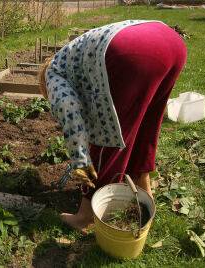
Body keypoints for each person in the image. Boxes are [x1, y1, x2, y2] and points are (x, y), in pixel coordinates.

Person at [39, 20, 187, 232]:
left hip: (131, 53)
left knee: (107, 137)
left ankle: (85, 216)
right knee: (145, 128)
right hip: (171, 42)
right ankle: (143, 188)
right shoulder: (74, 57)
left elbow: (70, 112)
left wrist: (81, 161)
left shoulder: (52, 73)